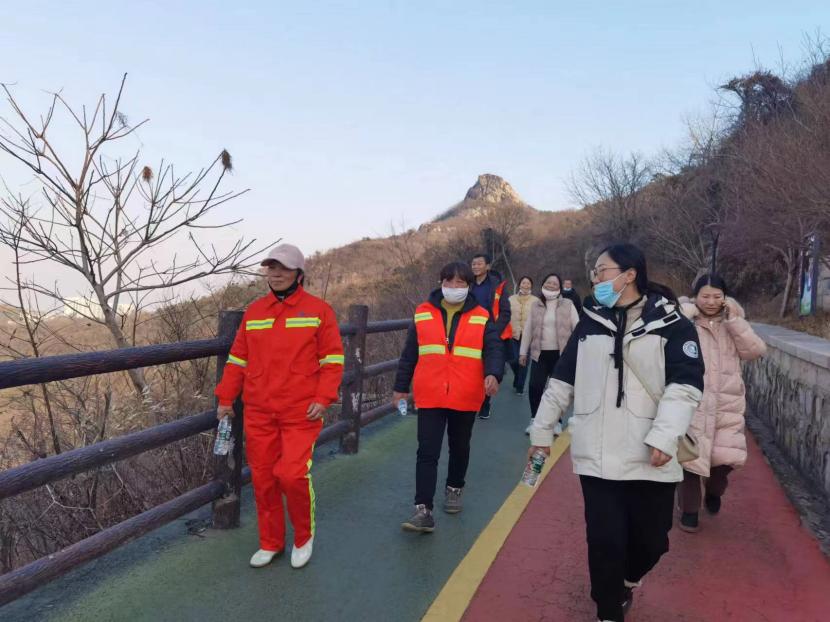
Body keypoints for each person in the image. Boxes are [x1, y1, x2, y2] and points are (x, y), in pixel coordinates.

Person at [528, 243, 704, 622]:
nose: (596, 278)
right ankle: (608, 609)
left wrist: (665, 436)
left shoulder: (674, 325)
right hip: (598, 454)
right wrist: (541, 433)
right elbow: (561, 382)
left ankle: (625, 582)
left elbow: (685, 386)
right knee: (604, 541)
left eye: (602, 270)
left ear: (629, 274)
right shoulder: (590, 323)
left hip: (651, 454)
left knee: (652, 542)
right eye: (594, 272)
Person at [215, 244, 344, 570]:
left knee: (291, 474)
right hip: (259, 411)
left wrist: (323, 398)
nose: (276, 273)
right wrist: (226, 398)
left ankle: (303, 537)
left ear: (299, 274)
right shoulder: (255, 312)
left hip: (301, 411)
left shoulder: (319, 311)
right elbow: (237, 359)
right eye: (271, 267)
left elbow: (332, 361)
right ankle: (270, 542)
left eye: (283, 268)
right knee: (263, 479)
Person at [393, 261, 503, 532]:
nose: (454, 287)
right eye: (449, 282)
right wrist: (400, 388)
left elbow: (493, 348)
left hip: (466, 393)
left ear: (469, 286)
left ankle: (454, 488)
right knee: (427, 451)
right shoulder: (423, 312)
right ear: (441, 283)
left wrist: (493, 373)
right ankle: (423, 510)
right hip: (430, 393)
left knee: (459, 446)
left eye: (460, 283)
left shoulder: (482, 315)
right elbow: (409, 353)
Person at [677, 274, 766, 533]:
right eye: (705, 296)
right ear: (695, 297)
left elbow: (755, 351)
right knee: (689, 461)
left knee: (724, 461)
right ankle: (689, 511)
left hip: (727, 405)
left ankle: (714, 491)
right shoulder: (685, 322)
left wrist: (735, 321)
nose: (711, 301)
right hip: (692, 402)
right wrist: (685, 314)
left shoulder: (733, 322)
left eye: (717, 296)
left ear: (725, 298)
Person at [519, 273, 579, 435]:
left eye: (554, 283)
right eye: (548, 282)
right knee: (535, 387)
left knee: (557, 390)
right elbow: (528, 329)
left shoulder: (567, 304)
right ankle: (534, 420)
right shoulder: (536, 305)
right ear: (543, 284)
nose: (551, 285)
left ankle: (556, 422)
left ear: (559, 287)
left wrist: (576, 351)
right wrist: (523, 352)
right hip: (539, 354)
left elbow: (577, 327)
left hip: (561, 355)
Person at [470, 253, 512, 420]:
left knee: (488, 367)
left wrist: (494, 331)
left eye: (479, 263)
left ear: (487, 266)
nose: (475, 266)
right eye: (473, 264)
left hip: (489, 332)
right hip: (470, 331)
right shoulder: (467, 284)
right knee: (472, 366)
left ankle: (485, 403)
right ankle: (473, 399)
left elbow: (505, 312)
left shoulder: (498, 285)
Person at [508, 276, 534, 395]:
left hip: (528, 335)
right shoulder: (511, 299)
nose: (526, 285)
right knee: (513, 359)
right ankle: (518, 377)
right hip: (512, 333)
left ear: (531, 285)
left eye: (528, 283)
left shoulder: (536, 301)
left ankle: (520, 387)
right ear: (519, 284)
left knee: (524, 362)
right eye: (523, 283)